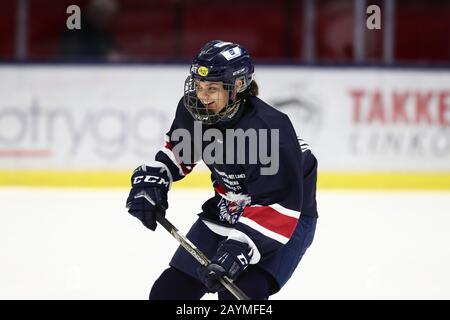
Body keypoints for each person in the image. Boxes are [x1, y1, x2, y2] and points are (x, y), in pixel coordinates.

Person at [126, 40, 318, 300]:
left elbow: (278, 205)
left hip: (284, 217)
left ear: (238, 86)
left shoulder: (268, 129)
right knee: (167, 294)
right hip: (227, 207)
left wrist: (238, 250)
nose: (202, 96)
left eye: (212, 88)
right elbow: (180, 154)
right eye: (199, 86)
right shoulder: (195, 110)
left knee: (236, 298)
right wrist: (155, 179)